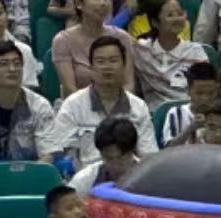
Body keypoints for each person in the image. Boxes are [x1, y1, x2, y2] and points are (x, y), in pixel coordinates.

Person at [0, 40, 70, 164]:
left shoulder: (40, 105)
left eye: (17, 64)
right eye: (3, 64)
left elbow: (49, 153)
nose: (12, 69)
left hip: (30, 170)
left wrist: (31, 173)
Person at [57, 35, 158, 166]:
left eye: (113, 60)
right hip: (87, 175)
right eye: (100, 61)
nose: (107, 67)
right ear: (91, 69)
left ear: (124, 66)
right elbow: (64, 155)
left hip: (128, 175)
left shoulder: (139, 107)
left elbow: (148, 156)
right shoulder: (72, 105)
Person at [52, 0, 134, 95]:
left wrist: (119, 102)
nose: (103, 3)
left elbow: (129, 84)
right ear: (79, 4)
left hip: (119, 102)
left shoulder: (122, 37)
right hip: (79, 103)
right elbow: (70, 89)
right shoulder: (63, 41)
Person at [134, 0, 208, 105]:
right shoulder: (141, 49)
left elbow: (204, 91)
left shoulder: (196, 52)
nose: (177, 19)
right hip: (155, 112)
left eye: (180, 14)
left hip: (188, 110)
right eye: (170, 15)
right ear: (155, 22)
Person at [157, 61, 221, 145]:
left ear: (218, 91)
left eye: (211, 93)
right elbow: (169, 148)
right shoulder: (176, 113)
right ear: (188, 91)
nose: (205, 98)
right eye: (199, 93)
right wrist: (190, 128)